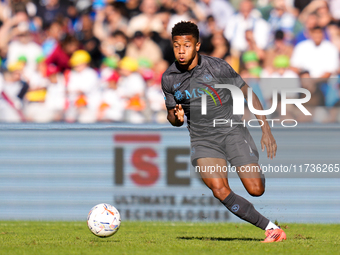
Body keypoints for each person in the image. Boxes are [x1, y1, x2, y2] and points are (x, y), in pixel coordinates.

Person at [162, 21, 286, 243]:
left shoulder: (217, 67)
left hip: (232, 132)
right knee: (219, 190)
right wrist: (175, 117)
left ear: (197, 45)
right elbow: (173, 118)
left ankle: (250, 164)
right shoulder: (169, 78)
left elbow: (249, 93)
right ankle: (272, 229)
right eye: (176, 46)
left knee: (256, 190)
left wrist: (265, 129)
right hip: (203, 140)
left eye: (186, 45)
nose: (181, 51)